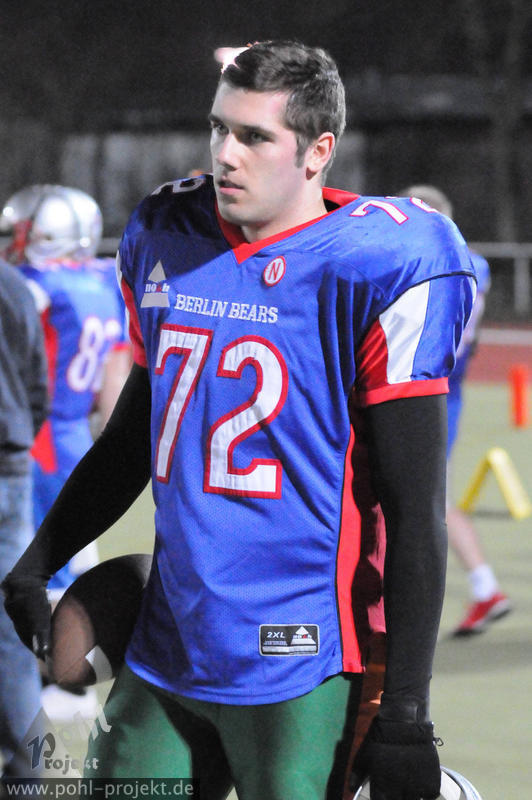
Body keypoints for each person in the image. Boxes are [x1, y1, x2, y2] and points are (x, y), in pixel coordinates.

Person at [2, 42, 477, 800]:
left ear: (318, 152)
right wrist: (39, 559)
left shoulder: (379, 259)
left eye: (255, 136)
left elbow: (414, 510)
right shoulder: (170, 232)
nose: (225, 154)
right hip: (171, 642)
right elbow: (132, 439)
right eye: (219, 128)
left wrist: (408, 714)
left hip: (303, 659)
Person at [0, 185, 131, 719]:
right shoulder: (103, 283)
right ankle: (74, 680)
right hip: (77, 438)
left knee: (32, 566)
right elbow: (115, 386)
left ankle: (53, 682)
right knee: (73, 563)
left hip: (36, 438)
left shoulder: (32, 286)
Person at [400, 184, 510, 637]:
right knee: (426, 497)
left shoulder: (430, 262)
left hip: (422, 390)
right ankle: (484, 588)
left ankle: (481, 588)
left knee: (418, 500)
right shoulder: (474, 264)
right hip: (451, 390)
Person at [0, 258, 48, 779]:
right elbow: (39, 387)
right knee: (10, 631)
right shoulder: (15, 284)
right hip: (10, 465)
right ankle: (28, 771)